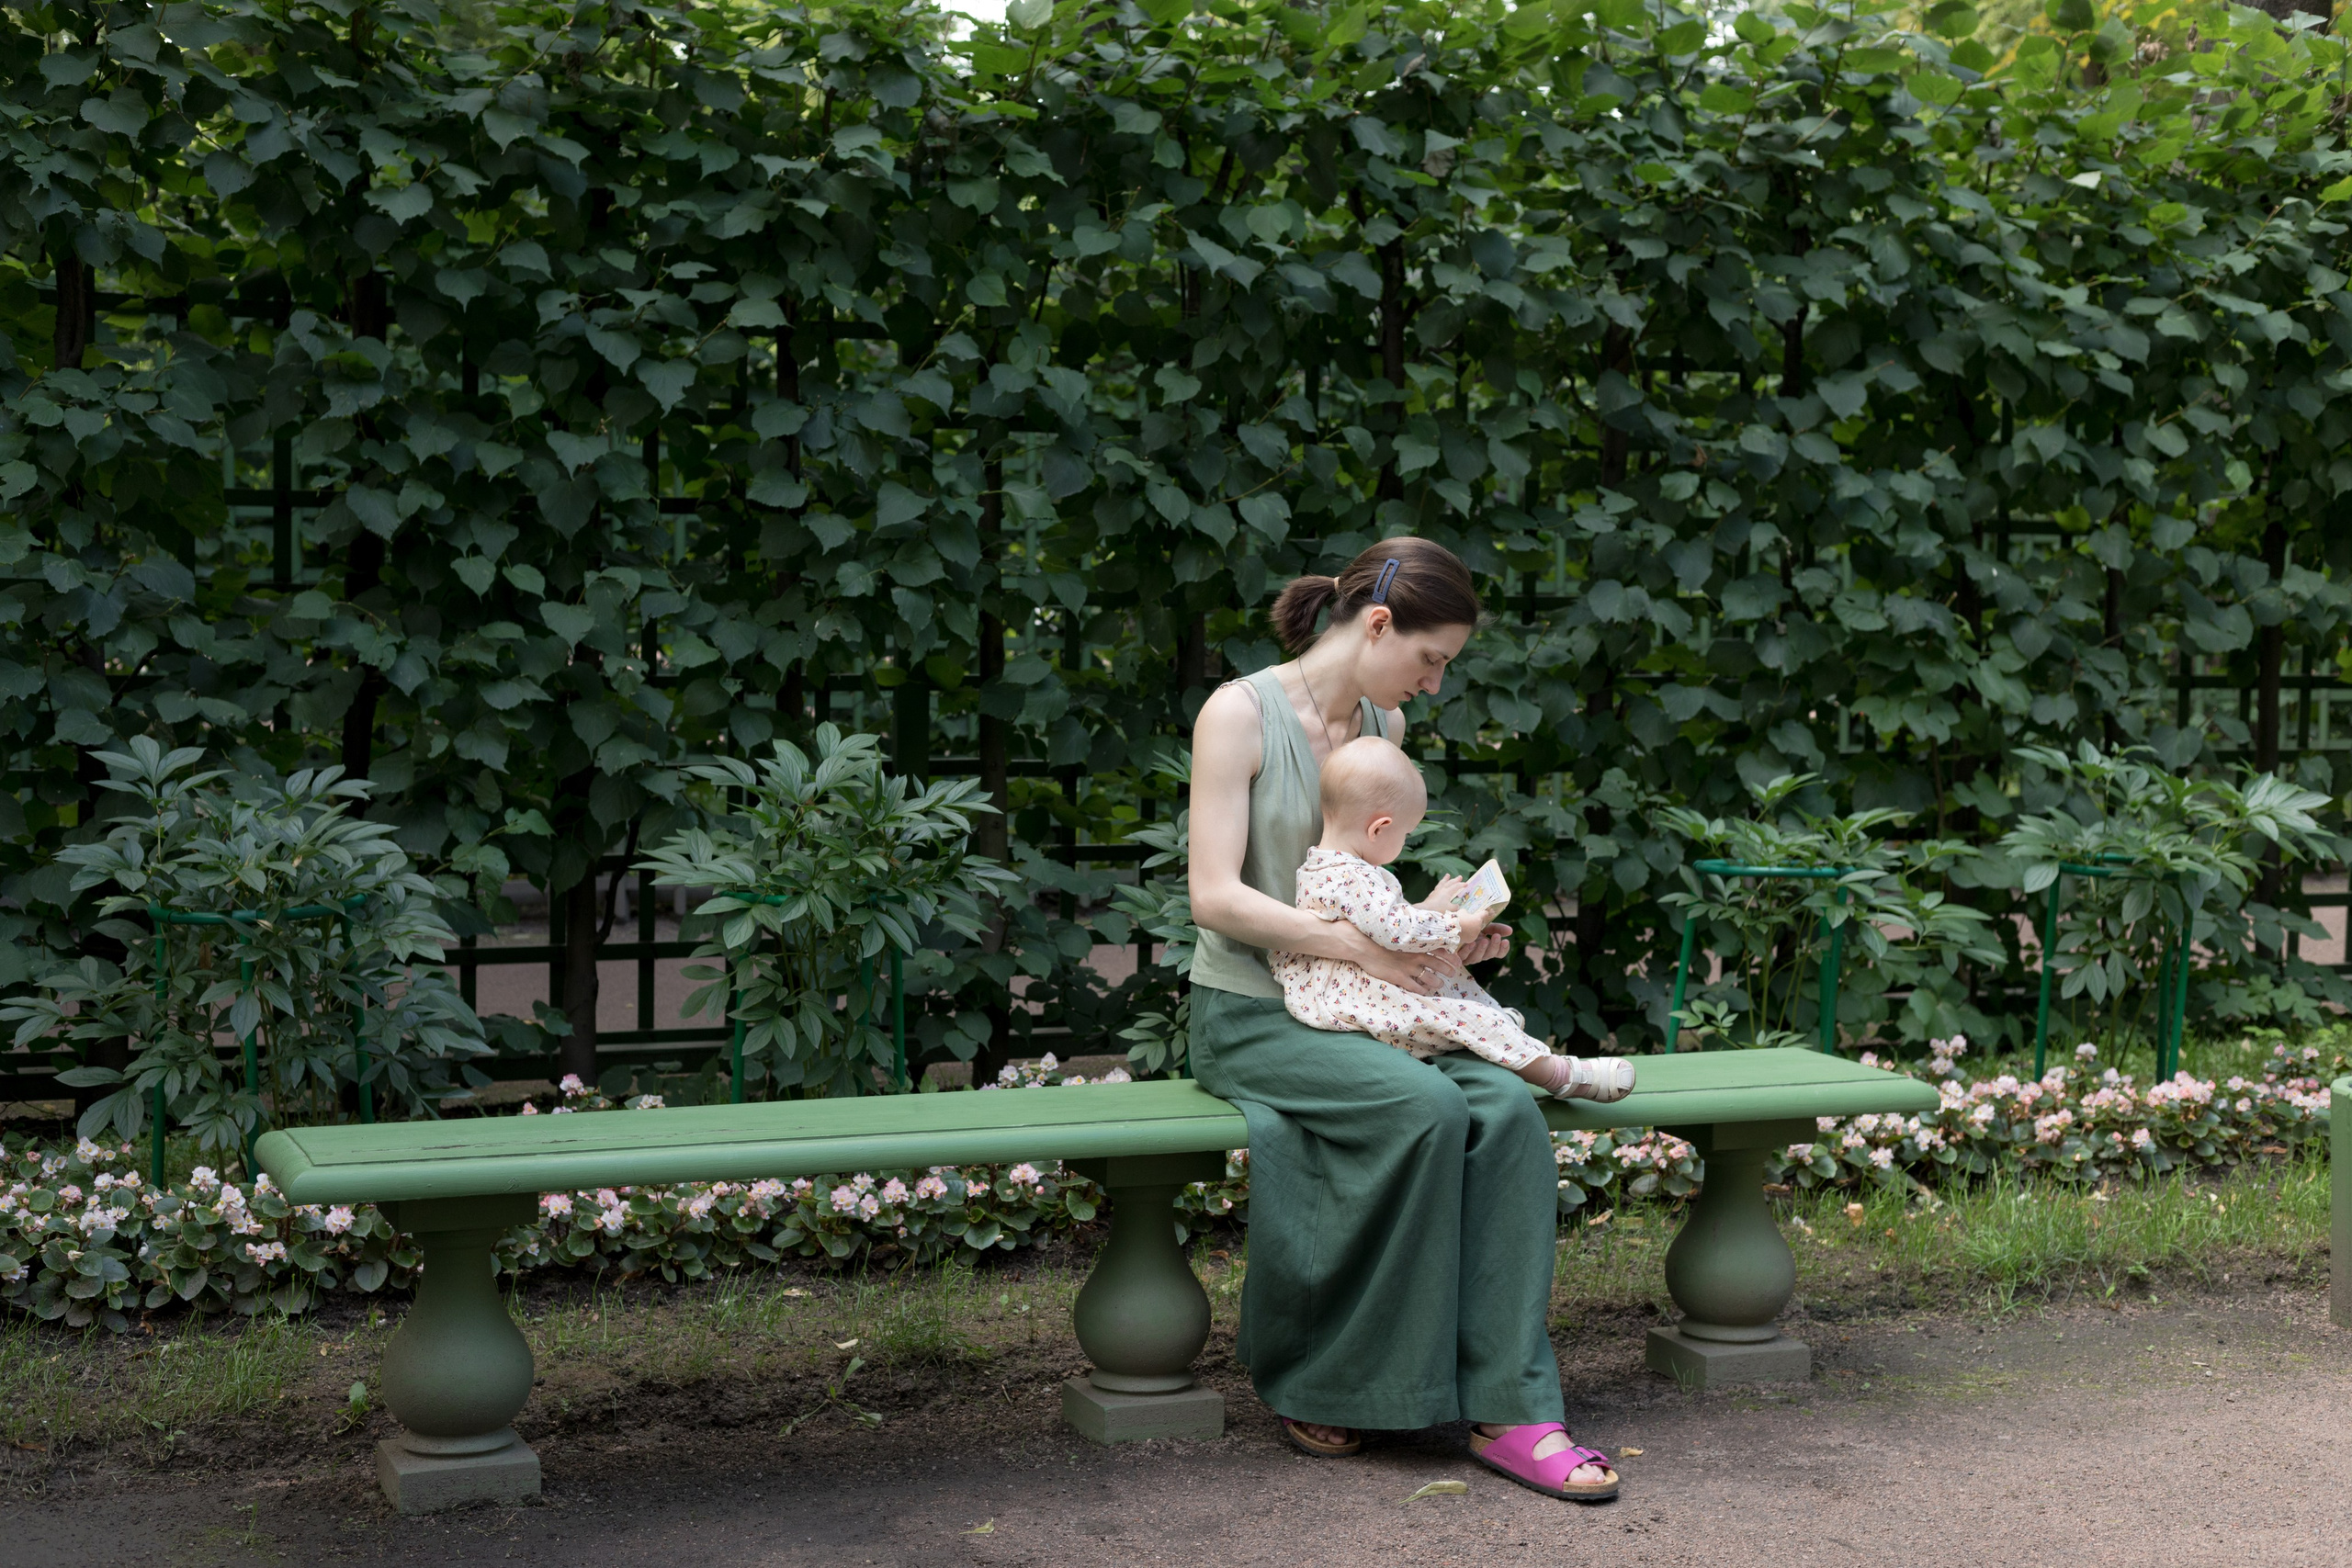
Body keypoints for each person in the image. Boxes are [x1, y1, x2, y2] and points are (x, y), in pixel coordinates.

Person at [1185, 536, 1621, 1502]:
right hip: (1253, 1012)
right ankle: (1336, 1378)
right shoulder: (1238, 714)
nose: (1431, 685)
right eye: (1431, 659)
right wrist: (1365, 950)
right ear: (1377, 624)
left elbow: (1361, 887)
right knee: (1423, 1108)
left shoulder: (1381, 722)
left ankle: (1513, 1409)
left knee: (1506, 1114)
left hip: (1377, 1005)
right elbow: (1213, 898)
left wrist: (1440, 930)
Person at [1273, 735, 1636, 1104]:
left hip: (1349, 987)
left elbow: (1376, 925)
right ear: (1379, 828)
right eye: (1406, 833)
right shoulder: (1356, 876)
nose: (1405, 841)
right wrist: (1455, 927)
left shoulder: (1321, 866)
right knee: (1468, 1018)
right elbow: (1396, 930)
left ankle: (1510, 1041)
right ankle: (1558, 1075)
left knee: (1457, 995)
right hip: (1359, 998)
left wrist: (1430, 909)